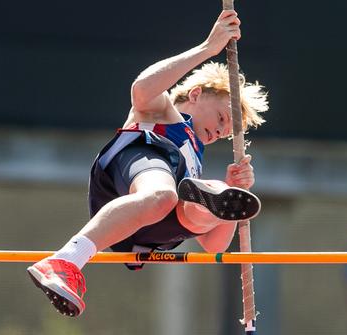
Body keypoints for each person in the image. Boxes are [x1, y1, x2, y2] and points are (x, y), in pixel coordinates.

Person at [27, 9, 269, 317]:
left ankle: (219, 198)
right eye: (222, 118)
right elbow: (141, 89)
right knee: (165, 195)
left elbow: (214, 246)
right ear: (196, 94)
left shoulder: (194, 160)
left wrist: (235, 196)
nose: (220, 131)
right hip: (134, 169)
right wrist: (208, 49)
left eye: (224, 133)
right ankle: (65, 260)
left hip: (150, 232)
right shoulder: (165, 110)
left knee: (198, 207)